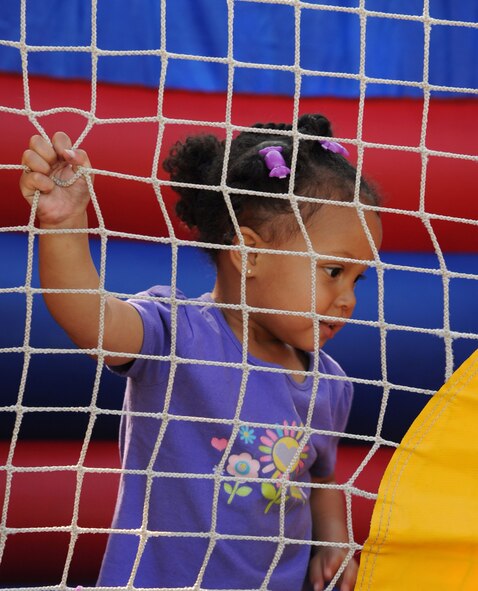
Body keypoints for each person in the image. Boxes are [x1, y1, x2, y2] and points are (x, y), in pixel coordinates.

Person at [19, 114, 382, 591]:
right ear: (249, 254)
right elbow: (90, 318)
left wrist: (334, 542)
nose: (349, 299)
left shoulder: (329, 382)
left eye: (359, 278)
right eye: (334, 271)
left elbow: (322, 478)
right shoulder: (176, 335)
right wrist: (65, 224)